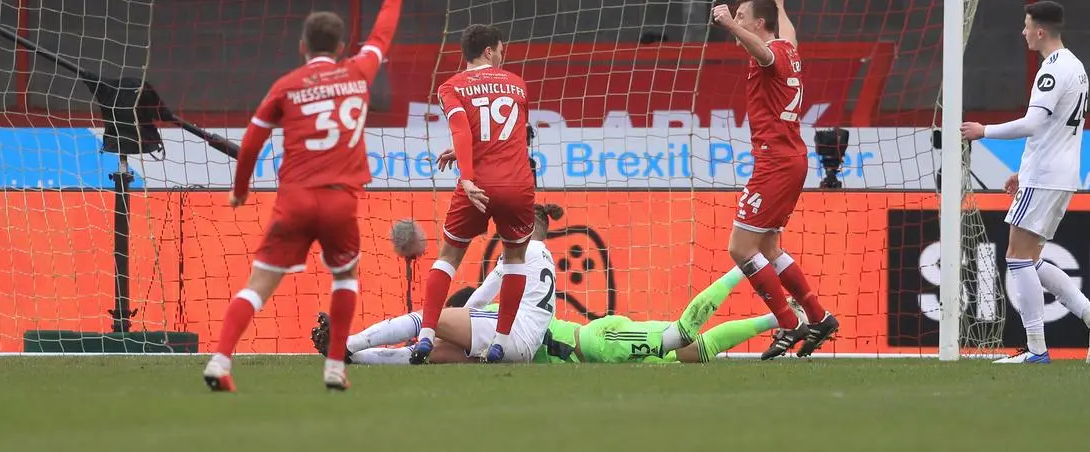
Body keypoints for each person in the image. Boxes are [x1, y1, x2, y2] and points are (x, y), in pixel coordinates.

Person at [202, 0, 414, 392]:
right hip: (340, 200)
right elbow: (381, 37)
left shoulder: (286, 85)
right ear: (340, 47)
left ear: (302, 46)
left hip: (295, 199)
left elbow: (250, 144)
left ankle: (220, 361)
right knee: (346, 277)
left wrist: (240, 191)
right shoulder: (358, 71)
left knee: (258, 285)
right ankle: (335, 367)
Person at [962, 0, 1090, 364]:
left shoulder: (1052, 69)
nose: (1023, 31)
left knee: (1017, 258)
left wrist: (984, 131)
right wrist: (1024, 170)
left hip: (1046, 177)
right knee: (1030, 259)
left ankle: (1036, 349)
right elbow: (1054, 129)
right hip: (1055, 174)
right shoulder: (1077, 67)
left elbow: (1032, 124)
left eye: (1026, 25)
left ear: (1040, 31)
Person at [709, 0, 839, 359]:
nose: (738, 21)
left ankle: (788, 321)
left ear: (758, 23)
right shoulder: (789, 51)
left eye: (742, 16)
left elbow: (763, 52)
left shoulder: (769, 55)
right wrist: (782, 5)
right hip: (790, 158)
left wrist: (729, 26)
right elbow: (787, 37)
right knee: (768, 247)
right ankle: (818, 316)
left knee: (740, 247)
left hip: (775, 162)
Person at [329, 265, 776, 366]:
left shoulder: (678, 360)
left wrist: (774, 321)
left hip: (564, 349)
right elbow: (693, 337)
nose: (700, 354)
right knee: (437, 331)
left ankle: (353, 356)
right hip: (585, 342)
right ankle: (349, 346)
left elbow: (707, 341)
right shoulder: (647, 352)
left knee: (436, 357)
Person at [409, 24, 536, 364]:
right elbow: (509, 135)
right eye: (501, 48)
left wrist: (466, 176)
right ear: (490, 52)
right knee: (515, 261)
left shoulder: (451, 87)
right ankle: (500, 342)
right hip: (516, 185)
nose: (503, 53)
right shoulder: (517, 85)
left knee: (448, 257)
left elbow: (464, 129)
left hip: (477, 183)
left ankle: (426, 334)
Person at [314, 203, 566, 365]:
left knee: (429, 319)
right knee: (433, 355)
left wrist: (454, 322)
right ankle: (355, 359)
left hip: (510, 333)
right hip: (524, 351)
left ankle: (347, 343)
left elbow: (482, 297)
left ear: (527, 225)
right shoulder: (546, 258)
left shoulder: (524, 249)